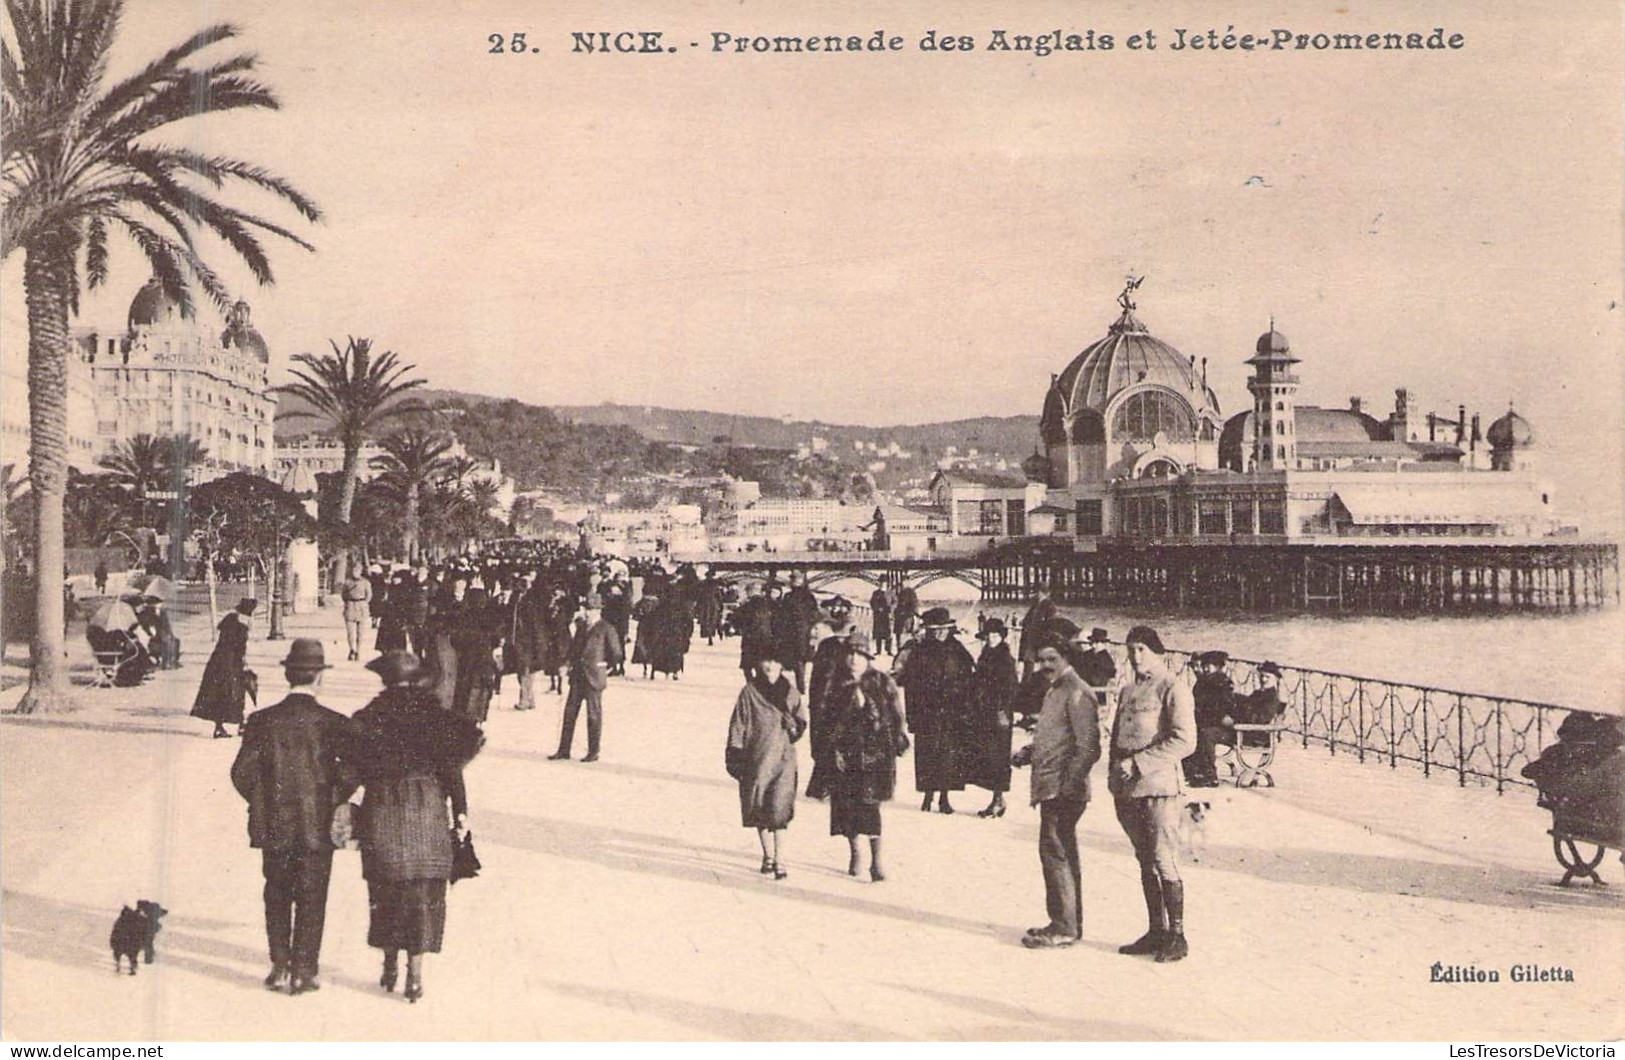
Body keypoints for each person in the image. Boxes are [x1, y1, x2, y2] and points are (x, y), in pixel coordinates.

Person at [345, 651, 483, 1004]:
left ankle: (389, 963)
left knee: (386, 888)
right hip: (427, 809)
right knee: (423, 892)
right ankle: (415, 976)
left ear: (385, 680)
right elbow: (453, 768)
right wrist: (461, 813)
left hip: (383, 809)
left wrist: (343, 803)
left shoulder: (370, 717)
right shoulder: (436, 717)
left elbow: (352, 769)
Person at [229, 639, 350, 995]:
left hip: (275, 826)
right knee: (313, 897)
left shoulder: (262, 721)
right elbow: (352, 772)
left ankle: (279, 966)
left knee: (277, 893)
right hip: (317, 827)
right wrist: (334, 799)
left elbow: (240, 773)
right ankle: (304, 971)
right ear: (319, 679)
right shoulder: (332, 723)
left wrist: (262, 801)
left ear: (287, 675)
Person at [1109, 625, 1197, 963]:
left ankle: (1178, 935)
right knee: (1144, 858)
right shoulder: (1129, 690)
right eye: (1131, 649)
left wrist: (1139, 763)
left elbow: (1185, 740)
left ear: (1159, 652)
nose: (1135, 656)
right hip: (1128, 790)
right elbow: (1118, 734)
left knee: (1163, 857)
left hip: (1160, 787)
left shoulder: (1173, 687)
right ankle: (1155, 930)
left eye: (1143, 649)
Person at [1011, 636, 1101, 947]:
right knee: (1058, 852)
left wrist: (1069, 784)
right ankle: (1065, 922)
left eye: (1052, 659)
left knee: (1055, 852)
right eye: (1041, 660)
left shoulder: (1077, 692)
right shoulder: (1056, 691)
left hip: (1063, 788)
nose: (1045, 665)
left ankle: (1064, 927)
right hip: (1051, 784)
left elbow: (1088, 747)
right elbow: (1055, 736)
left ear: (1066, 657)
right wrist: (1029, 751)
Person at [825, 632, 907, 881]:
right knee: (846, 806)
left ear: (867, 658)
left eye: (859, 655)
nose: (853, 660)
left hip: (875, 754)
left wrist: (895, 740)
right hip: (846, 755)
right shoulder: (835, 683)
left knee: (871, 807)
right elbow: (826, 719)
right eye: (849, 654)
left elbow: (896, 715)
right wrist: (831, 750)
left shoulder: (882, 682)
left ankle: (876, 861)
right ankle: (855, 852)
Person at [725, 656, 806, 880]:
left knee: (779, 809)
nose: (770, 666)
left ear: (782, 665)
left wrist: (795, 727)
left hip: (783, 760)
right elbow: (738, 724)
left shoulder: (790, 692)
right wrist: (735, 754)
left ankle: (780, 859)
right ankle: (768, 855)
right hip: (756, 760)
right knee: (759, 807)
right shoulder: (749, 693)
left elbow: (801, 720)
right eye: (766, 662)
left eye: (775, 662)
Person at [897, 606, 974, 814]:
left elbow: (969, 680)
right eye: (936, 629)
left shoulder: (958, 650)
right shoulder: (920, 651)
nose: (940, 633)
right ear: (929, 630)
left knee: (949, 754)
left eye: (944, 629)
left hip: (952, 711)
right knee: (927, 753)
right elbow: (910, 686)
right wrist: (912, 716)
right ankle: (928, 794)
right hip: (927, 712)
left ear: (950, 629)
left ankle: (944, 797)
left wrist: (965, 707)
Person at [550, 595, 623, 762]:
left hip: (594, 678)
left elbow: (617, 653)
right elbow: (573, 650)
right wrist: (566, 665)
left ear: (598, 610)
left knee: (593, 715)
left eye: (590, 609)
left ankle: (593, 751)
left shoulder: (607, 628)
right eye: (585, 609)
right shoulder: (582, 628)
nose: (586, 612)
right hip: (577, 676)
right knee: (569, 713)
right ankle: (563, 750)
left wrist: (603, 666)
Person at [969, 618, 1019, 818]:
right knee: (989, 756)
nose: (991, 638)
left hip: (999, 712)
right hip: (985, 712)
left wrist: (1003, 709)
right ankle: (996, 799)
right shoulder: (986, 655)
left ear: (1002, 637)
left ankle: (998, 799)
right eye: (989, 635)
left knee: (998, 757)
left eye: (995, 635)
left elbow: (1010, 687)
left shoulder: (1005, 659)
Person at [192, 598, 257, 738]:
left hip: (217, 662)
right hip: (232, 663)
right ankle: (241, 725)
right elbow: (240, 648)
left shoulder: (229, 620)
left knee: (218, 693)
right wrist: (245, 664)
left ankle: (219, 727)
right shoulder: (241, 626)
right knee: (237, 692)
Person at [1183, 651, 1235, 787]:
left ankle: (1209, 775)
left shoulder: (1222, 683)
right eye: (1204, 666)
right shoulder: (1202, 683)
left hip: (1222, 725)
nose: (1205, 669)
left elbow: (1224, 708)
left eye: (1208, 666)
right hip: (1209, 721)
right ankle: (1192, 771)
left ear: (1218, 667)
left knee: (1204, 734)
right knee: (1189, 730)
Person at [509, 573, 552, 711]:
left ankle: (524, 700)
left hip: (528, 642)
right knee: (522, 671)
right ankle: (530, 699)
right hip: (518, 640)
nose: (520, 586)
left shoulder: (532, 600)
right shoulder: (515, 598)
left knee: (525, 671)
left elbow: (536, 623)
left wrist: (539, 643)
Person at [734, 582, 776, 674]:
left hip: (750, 640)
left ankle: (751, 685)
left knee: (747, 668)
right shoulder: (769, 605)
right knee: (760, 667)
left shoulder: (747, 605)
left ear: (750, 592)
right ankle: (759, 685)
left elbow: (736, 620)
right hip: (765, 640)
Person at [136, 596, 181, 670]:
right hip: (154, 634)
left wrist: (169, 634)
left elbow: (166, 625)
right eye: (158, 603)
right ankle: (167, 663)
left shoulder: (162, 612)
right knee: (167, 641)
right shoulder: (146, 613)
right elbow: (148, 625)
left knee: (174, 641)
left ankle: (171, 661)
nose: (160, 605)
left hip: (161, 633)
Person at [341, 568, 373, 662]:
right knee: (350, 632)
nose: (355, 573)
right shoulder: (347, 582)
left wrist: (364, 603)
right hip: (350, 606)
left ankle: (358, 651)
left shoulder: (365, 582)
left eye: (357, 571)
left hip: (361, 606)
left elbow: (369, 595)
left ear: (360, 572)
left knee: (360, 632)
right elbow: (343, 595)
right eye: (354, 571)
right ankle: (352, 650)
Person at [696, 573, 724, 646]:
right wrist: (720, 606)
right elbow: (719, 596)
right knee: (714, 619)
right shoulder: (715, 584)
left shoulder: (702, 584)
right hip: (713, 603)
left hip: (704, 603)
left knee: (705, 620)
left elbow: (699, 595)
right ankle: (714, 634)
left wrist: (698, 606)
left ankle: (709, 636)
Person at [868, 585, 895, 656]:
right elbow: (872, 602)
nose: (882, 584)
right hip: (878, 616)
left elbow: (895, 602)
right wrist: (877, 608)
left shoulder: (891, 593)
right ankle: (878, 650)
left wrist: (890, 609)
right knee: (878, 633)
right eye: (881, 582)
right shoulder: (876, 593)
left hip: (887, 615)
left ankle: (889, 650)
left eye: (884, 582)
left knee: (888, 633)